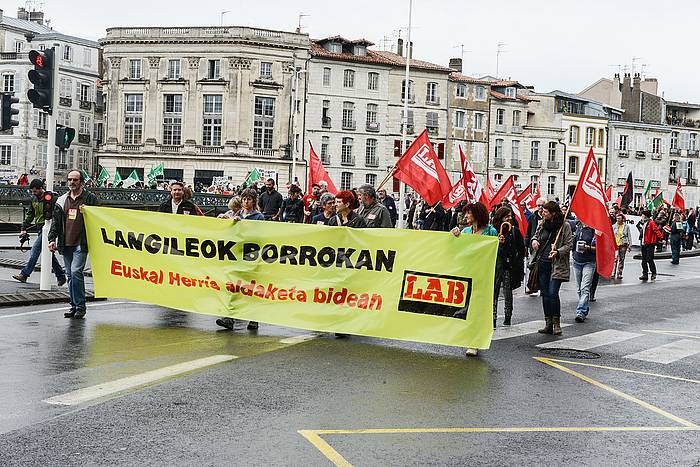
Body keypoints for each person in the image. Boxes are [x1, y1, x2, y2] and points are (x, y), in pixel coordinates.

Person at [47, 170, 99, 319]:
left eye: (75, 180)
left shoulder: (89, 198)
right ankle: (74, 305)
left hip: (81, 242)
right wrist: (52, 239)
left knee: (76, 272)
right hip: (66, 242)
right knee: (70, 275)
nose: (71, 182)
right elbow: (56, 222)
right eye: (69, 179)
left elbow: (99, 217)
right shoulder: (62, 200)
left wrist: (89, 214)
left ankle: (81, 306)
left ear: (81, 182)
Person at [450, 202, 497, 356]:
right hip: (468, 274)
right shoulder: (465, 231)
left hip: (484, 275)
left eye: (468, 213)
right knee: (468, 308)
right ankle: (471, 338)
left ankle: (475, 342)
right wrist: (454, 237)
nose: (465, 216)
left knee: (478, 309)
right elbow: (458, 251)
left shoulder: (491, 231)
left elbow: (495, 253)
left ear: (477, 214)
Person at [216, 188, 265, 331]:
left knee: (251, 288)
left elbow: (258, 235)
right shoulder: (237, 214)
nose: (245, 202)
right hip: (236, 254)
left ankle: (254, 318)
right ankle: (230, 317)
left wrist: (242, 225)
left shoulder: (258, 217)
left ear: (254, 201)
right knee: (234, 286)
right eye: (244, 199)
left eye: (249, 199)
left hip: (251, 256)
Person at [12, 179, 67, 286]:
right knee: (48, 255)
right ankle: (60, 276)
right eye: (32, 192)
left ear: (41, 189)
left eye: (35, 191)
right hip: (39, 228)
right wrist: (24, 228)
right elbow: (30, 214)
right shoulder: (34, 199)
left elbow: (59, 213)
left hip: (48, 228)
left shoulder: (52, 199)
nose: (33, 193)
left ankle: (24, 274)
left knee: (35, 250)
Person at [531, 201, 572, 335]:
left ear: (553, 213)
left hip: (557, 264)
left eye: (546, 212)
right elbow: (535, 236)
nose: (543, 213)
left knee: (553, 293)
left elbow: (569, 244)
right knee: (545, 294)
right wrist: (534, 241)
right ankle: (547, 323)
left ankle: (556, 323)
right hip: (542, 262)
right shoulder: (542, 224)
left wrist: (558, 251)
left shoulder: (564, 226)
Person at [491, 206, 525, 327]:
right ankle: (493, 316)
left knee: (507, 292)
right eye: (507, 216)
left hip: (508, 266)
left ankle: (508, 315)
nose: (509, 218)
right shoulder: (493, 230)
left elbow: (521, 250)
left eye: (511, 216)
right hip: (495, 265)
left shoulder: (514, 230)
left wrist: (518, 263)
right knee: (493, 292)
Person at [572, 221, 597, 323]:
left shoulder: (594, 229)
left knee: (585, 288)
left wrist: (588, 248)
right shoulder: (577, 226)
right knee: (579, 289)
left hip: (589, 262)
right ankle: (584, 307)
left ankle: (580, 311)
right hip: (576, 261)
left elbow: (598, 248)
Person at [637, 210, 663, 281]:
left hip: (650, 243)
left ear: (645, 216)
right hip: (643, 243)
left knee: (649, 259)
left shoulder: (651, 223)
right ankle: (645, 274)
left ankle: (653, 272)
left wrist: (661, 238)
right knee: (643, 260)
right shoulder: (643, 223)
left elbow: (656, 230)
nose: (641, 217)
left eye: (642, 215)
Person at [613, 213, 632, 280]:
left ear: (622, 219)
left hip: (623, 244)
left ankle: (619, 273)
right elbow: (612, 235)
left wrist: (630, 245)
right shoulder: (614, 226)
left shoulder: (626, 226)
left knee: (621, 259)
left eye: (619, 218)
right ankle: (613, 272)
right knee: (615, 259)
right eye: (617, 218)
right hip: (615, 244)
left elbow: (629, 235)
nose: (618, 220)